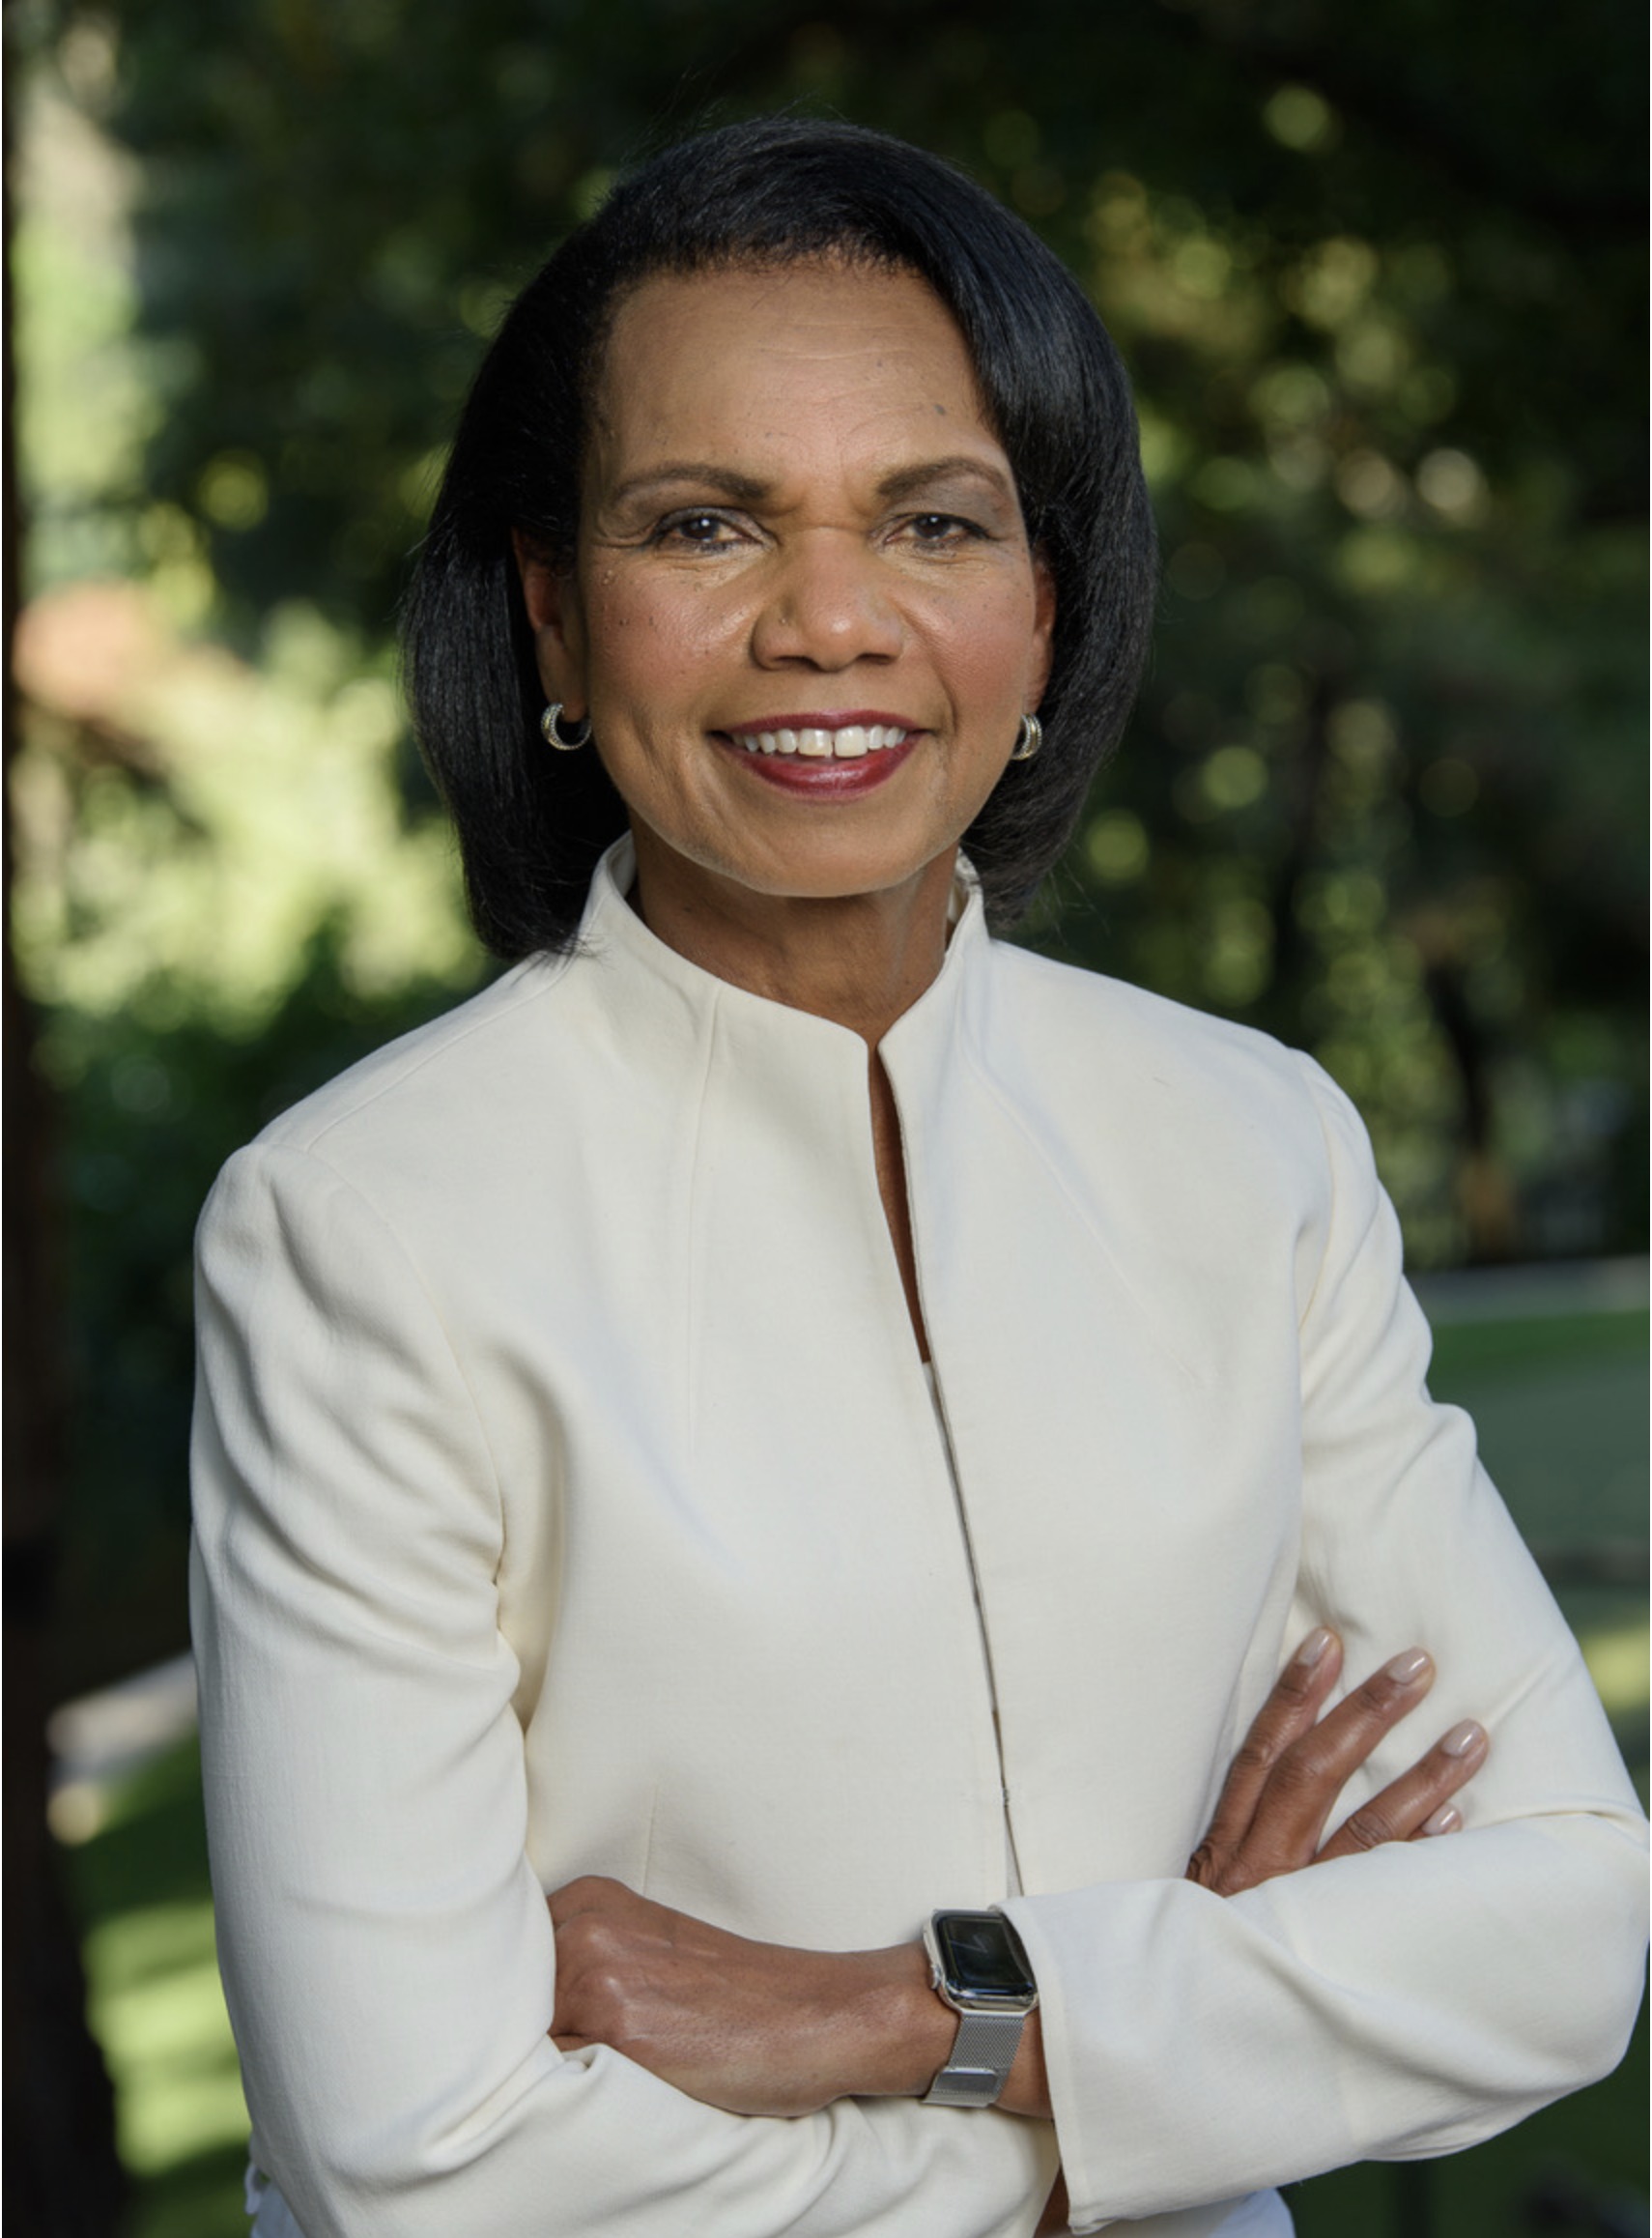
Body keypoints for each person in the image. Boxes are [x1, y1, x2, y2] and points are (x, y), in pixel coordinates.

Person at [188, 118, 1646, 2238]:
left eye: (934, 521)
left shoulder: (1257, 1151)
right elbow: (420, 2166)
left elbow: (1570, 1924)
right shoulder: (359, 1229)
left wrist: (902, 2010)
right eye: (706, 525)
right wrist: (1146, 2087)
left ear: (1046, 612)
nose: (833, 619)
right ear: (556, 625)